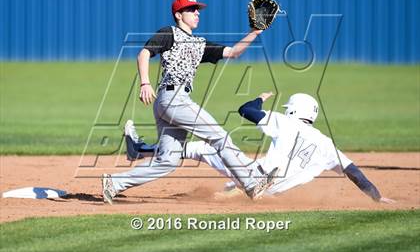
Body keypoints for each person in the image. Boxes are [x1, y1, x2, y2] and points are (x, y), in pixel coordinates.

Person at [102, 0, 276, 204]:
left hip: (171, 102)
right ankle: (250, 185)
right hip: (173, 99)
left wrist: (255, 32)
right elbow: (144, 54)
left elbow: (234, 52)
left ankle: (114, 183)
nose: (196, 13)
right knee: (220, 137)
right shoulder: (169, 33)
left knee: (168, 161)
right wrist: (145, 83)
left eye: (197, 10)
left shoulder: (199, 44)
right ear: (178, 14)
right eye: (191, 10)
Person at [124, 92, 395, 204]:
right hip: (271, 193)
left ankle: (140, 150)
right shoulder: (327, 145)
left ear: (293, 110)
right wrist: (376, 197)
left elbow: (246, 110)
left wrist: (260, 99)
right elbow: (355, 173)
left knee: (203, 148)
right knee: (235, 166)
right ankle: (231, 191)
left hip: (253, 179)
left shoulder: (285, 122)